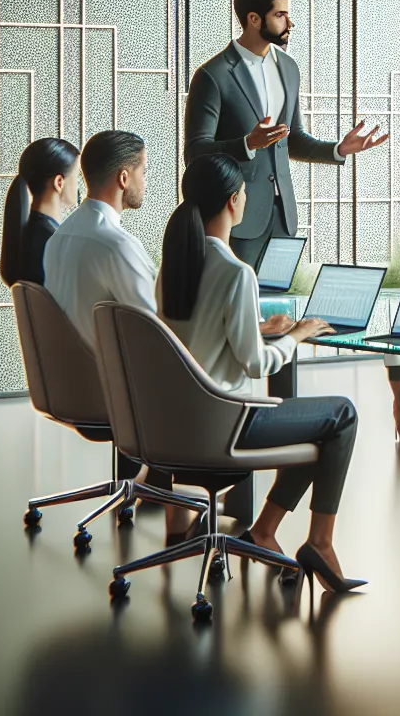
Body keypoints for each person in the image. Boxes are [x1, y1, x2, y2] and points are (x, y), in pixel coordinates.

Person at [156, 153, 362, 592]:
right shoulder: (236, 272)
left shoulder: (172, 268)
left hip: (174, 426)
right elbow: (255, 364)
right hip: (226, 427)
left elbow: (200, 338)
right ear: (233, 201)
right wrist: (297, 335)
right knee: (339, 416)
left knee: (312, 421)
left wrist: (257, 327)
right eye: (245, 191)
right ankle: (319, 542)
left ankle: (265, 530)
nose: (247, 197)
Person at [184, 0, 388, 271]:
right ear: (254, 19)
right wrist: (247, 144)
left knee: (279, 310)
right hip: (236, 218)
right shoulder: (213, 75)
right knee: (239, 306)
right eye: (280, 15)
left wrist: (338, 149)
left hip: (283, 217)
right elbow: (194, 151)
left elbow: (292, 139)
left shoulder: (289, 69)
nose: (289, 22)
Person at [42, 130, 157, 344]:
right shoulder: (117, 245)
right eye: (143, 172)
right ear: (124, 178)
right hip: (114, 374)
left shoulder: (57, 239)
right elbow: (158, 327)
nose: (144, 182)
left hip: (73, 373)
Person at [0, 137, 79, 287]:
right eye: (77, 176)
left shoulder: (34, 233)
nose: (78, 185)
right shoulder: (52, 242)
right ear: (59, 183)